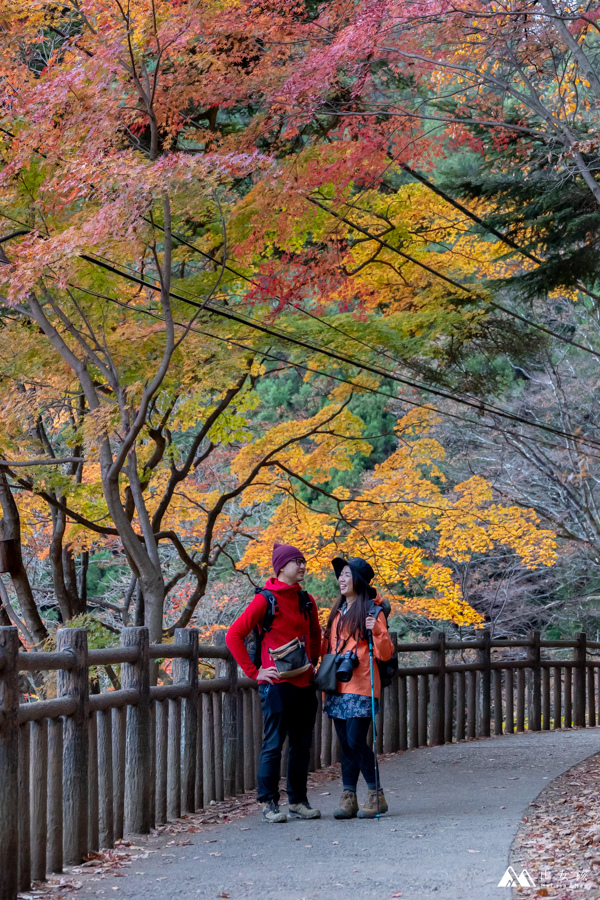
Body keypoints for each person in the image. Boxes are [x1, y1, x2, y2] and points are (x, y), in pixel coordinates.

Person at [226, 542, 322, 824]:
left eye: (303, 561)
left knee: (302, 745)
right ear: (281, 567)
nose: (302, 566)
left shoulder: (307, 600)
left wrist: (313, 663)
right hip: (277, 684)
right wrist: (255, 672)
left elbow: (316, 635)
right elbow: (234, 635)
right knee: (273, 744)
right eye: (297, 562)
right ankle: (269, 803)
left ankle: (298, 802)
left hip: (305, 683)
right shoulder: (264, 600)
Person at [322, 556, 394, 819]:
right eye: (339, 575)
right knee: (345, 743)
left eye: (346, 575)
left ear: (359, 580)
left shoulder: (373, 611)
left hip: (362, 684)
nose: (341, 579)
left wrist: (376, 630)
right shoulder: (337, 612)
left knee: (355, 740)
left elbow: (385, 653)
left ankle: (376, 795)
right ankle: (348, 796)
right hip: (337, 685)